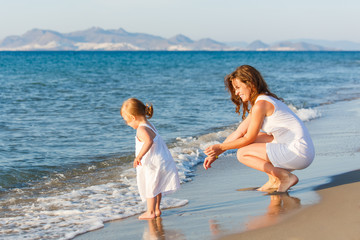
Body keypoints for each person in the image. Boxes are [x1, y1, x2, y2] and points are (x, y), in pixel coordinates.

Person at [204, 65, 315, 192]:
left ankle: (284, 176)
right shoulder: (263, 101)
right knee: (253, 139)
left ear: (250, 83)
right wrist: (216, 154)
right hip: (302, 151)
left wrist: (221, 147)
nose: (236, 93)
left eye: (238, 88)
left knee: (242, 153)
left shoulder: (261, 105)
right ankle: (274, 180)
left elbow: (248, 138)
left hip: (298, 153)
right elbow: (239, 132)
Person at [121, 98, 180, 219]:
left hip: (152, 163)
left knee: (150, 187)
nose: (127, 124)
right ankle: (157, 209)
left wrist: (139, 156)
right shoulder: (149, 124)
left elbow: (148, 141)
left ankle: (150, 211)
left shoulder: (141, 129)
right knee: (156, 186)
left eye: (126, 121)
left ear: (133, 117)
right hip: (161, 160)